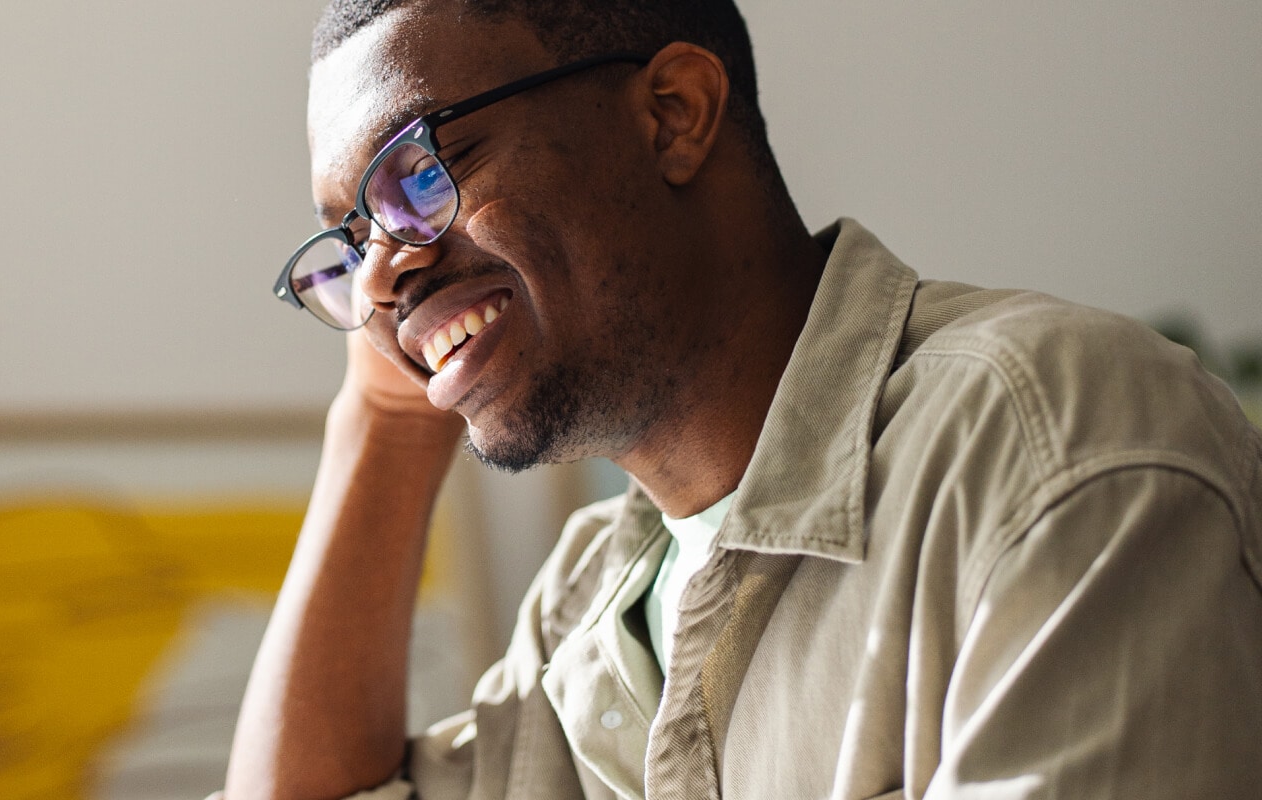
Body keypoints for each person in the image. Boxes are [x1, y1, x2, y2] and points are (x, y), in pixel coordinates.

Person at [227, 1, 1262, 797]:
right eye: (350, 238)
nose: (374, 276)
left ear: (672, 115)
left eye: (419, 172)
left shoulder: (1048, 439)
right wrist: (385, 410)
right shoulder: (588, 605)